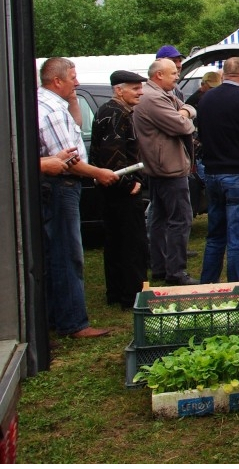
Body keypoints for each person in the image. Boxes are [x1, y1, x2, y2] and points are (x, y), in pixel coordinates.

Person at [37, 57, 120, 338]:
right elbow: (70, 159)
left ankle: (54, 317)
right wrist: (99, 172)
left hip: (60, 187)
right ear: (57, 80)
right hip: (61, 188)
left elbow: (73, 128)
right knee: (67, 254)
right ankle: (73, 323)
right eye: (73, 77)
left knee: (56, 253)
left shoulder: (54, 105)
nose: (78, 82)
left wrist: (73, 99)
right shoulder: (50, 111)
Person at [196, 57, 239, 284]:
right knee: (238, 236)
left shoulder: (206, 99)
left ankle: (208, 282)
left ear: (223, 74)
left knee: (215, 234)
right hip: (238, 173)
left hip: (212, 172)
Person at [134, 58, 199, 285]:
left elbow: (187, 107)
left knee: (160, 218)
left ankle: (162, 267)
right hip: (169, 168)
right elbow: (183, 125)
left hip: (162, 166)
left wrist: (185, 111)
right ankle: (176, 271)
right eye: (173, 73)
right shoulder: (153, 98)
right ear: (158, 75)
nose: (177, 76)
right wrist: (185, 115)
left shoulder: (161, 94)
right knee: (179, 219)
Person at [89, 69, 150, 310]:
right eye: (135, 89)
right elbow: (112, 154)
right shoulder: (117, 114)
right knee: (131, 243)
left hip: (110, 188)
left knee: (114, 242)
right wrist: (130, 183)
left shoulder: (107, 110)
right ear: (118, 90)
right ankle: (133, 295)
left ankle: (115, 291)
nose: (140, 92)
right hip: (121, 188)